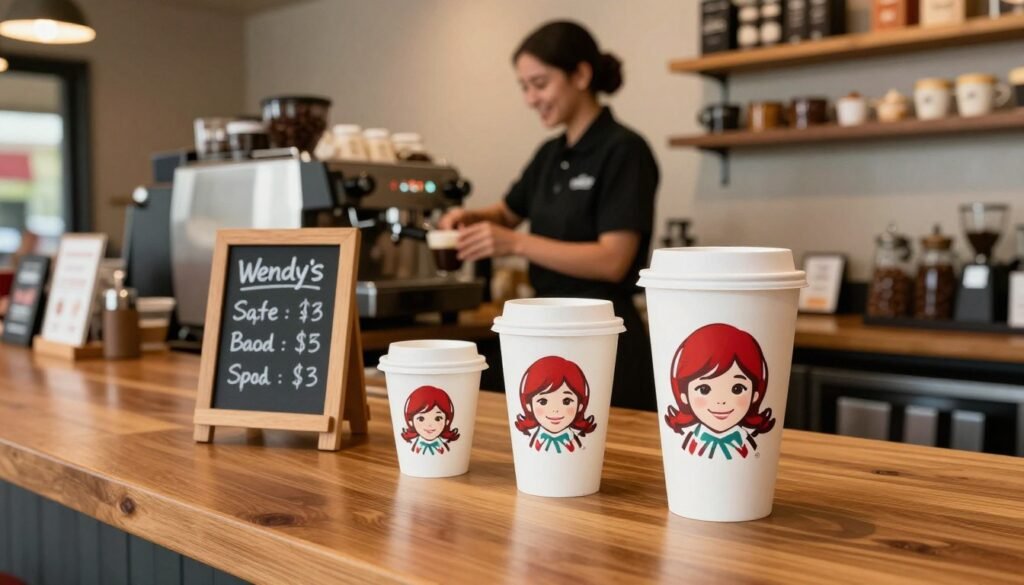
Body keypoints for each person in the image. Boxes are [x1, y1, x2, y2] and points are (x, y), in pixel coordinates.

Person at [440, 20, 659, 410]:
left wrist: (516, 244)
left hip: (604, 336)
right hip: (546, 331)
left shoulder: (625, 151)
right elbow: (507, 213)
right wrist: (468, 218)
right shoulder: (549, 155)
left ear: (580, 74)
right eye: (524, 87)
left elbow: (613, 260)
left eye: (539, 84)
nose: (530, 98)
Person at [663, 323, 777, 460]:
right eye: (704, 389)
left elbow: (757, 456)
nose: (721, 401)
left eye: (737, 389)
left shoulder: (748, 445)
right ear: (684, 396)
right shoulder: (690, 443)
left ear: (755, 395)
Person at [513, 355, 598, 454]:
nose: (555, 410)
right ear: (529, 406)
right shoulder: (531, 440)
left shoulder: (578, 443)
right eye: (543, 401)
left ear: (580, 406)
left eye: (566, 401)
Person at [401, 385, 461, 455]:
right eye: (421, 419)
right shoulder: (414, 447)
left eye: (438, 418)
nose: (429, 425)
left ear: (447, 421)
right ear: (410, 421)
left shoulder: (444, 447)